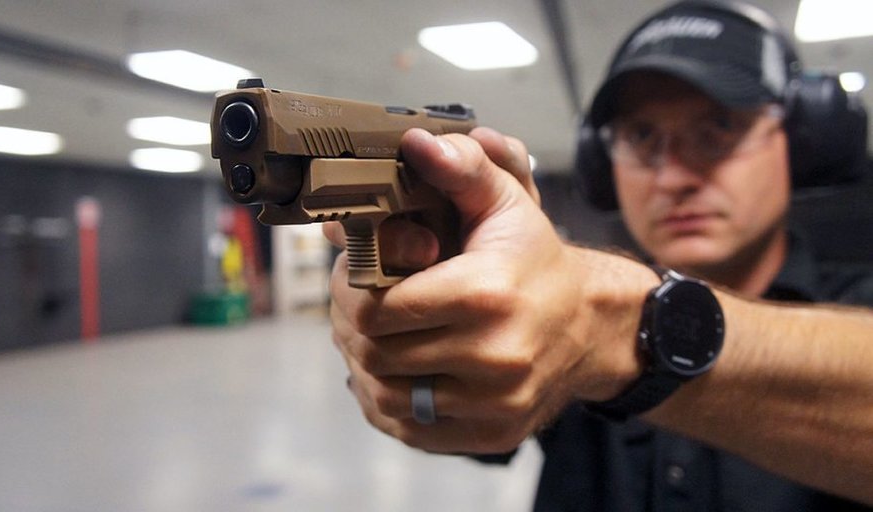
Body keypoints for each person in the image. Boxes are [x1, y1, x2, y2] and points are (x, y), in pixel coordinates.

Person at [324, 0, 873, 509]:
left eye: (718, 129)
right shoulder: (552, 303)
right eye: (641, 137)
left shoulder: (858, 300)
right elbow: (474, 424)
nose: (673, 177)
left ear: (800, 141)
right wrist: (418, 357)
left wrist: (617, 331)